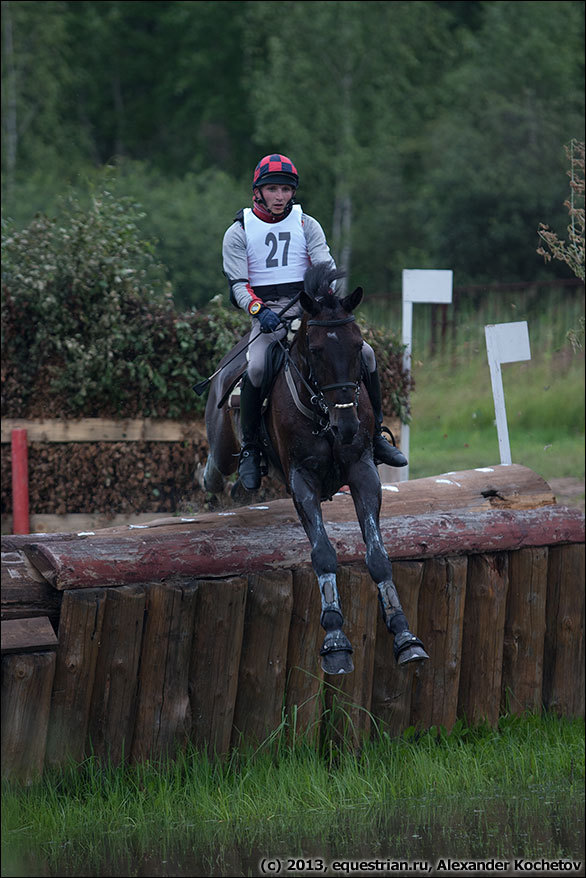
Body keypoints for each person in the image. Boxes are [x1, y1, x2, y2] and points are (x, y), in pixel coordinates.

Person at [222, 152, 407, 490]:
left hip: (311, 310)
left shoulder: (308, 224)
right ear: (258, 192)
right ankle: (250, 451)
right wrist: (257, 310)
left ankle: (377, 435)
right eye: (273, 189)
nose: (280, 197)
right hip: (267, 313)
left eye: (285, 190)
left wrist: (321, 293)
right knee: (258, 367)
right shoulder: (238, 231)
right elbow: (237, 285)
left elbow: (325, 266)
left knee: (366, 354)